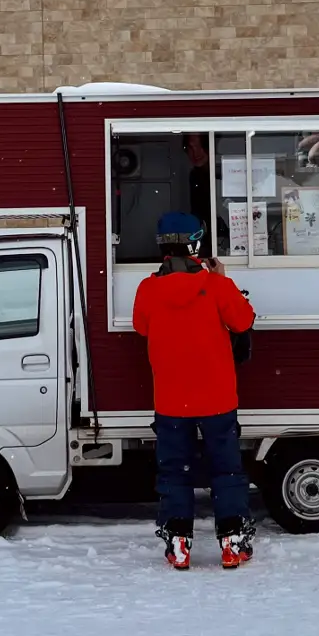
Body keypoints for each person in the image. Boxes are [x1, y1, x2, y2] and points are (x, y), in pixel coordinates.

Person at [132, 211, 257, 570]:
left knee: (174, 473)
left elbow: (141, 326)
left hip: (171, 401)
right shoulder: (216, 286)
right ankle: (233, 543)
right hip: (217, 399)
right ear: (195, 245)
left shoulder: (148, 289)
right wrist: (222, 280)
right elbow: (243, 320)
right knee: (227, 471)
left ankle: (178, 544)